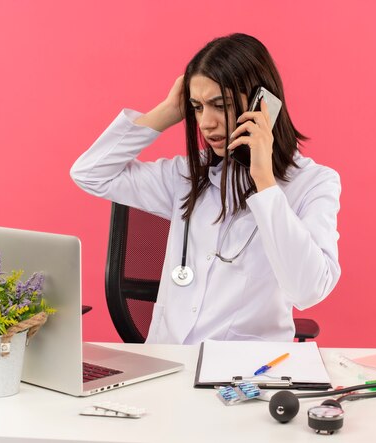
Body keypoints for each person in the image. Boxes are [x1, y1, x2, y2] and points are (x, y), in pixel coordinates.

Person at [70, 33, 341, 344]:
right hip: (168, 363)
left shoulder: (313, 183)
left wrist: (265, 183)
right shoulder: (187, 175)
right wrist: (168, 111)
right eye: (197, 107)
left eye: (219, 105)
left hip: (245, 371)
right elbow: (90, 173)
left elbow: (308, 289)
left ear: (262, 105)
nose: (206, 123)